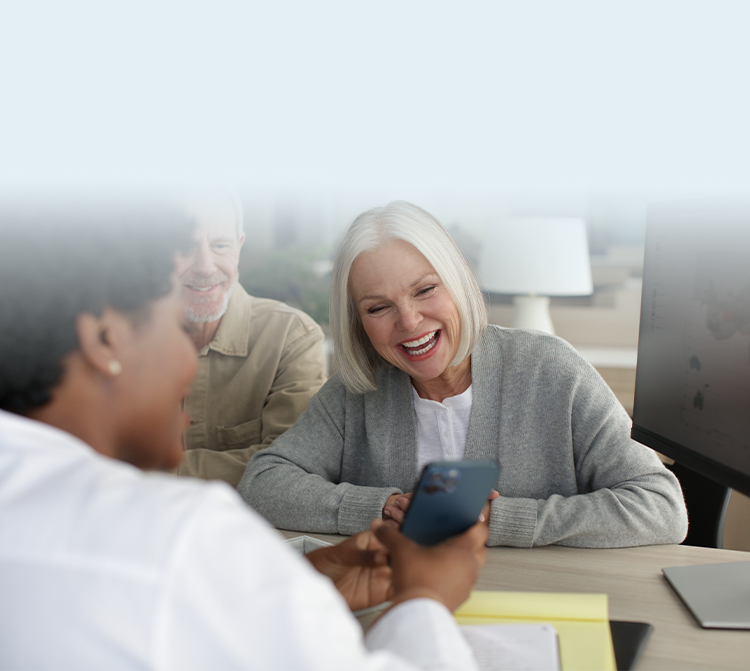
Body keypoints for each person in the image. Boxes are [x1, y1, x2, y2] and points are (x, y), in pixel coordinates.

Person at [0, 205, 487, 671]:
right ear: (106, 339)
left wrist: (282, 590)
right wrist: (427, 598)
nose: (195, 363)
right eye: (176, 325)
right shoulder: (180, 534)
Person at [239, 200, 688, 548]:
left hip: (536, 603)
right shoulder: (355, 391)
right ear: (358, 321)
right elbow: (263, 484)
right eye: (379, 307)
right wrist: (379, 507)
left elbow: (662, 508)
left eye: (425, 290)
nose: (410, 321)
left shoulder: (551, 371)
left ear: (458, 282)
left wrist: (503, 520)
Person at [175, 191, 325, 486]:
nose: (205, 266)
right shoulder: (116, 339)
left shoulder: (291, 338)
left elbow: (291, 467)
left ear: (239, 247)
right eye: (185, 247)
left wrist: (147, 472)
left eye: (220, 245)